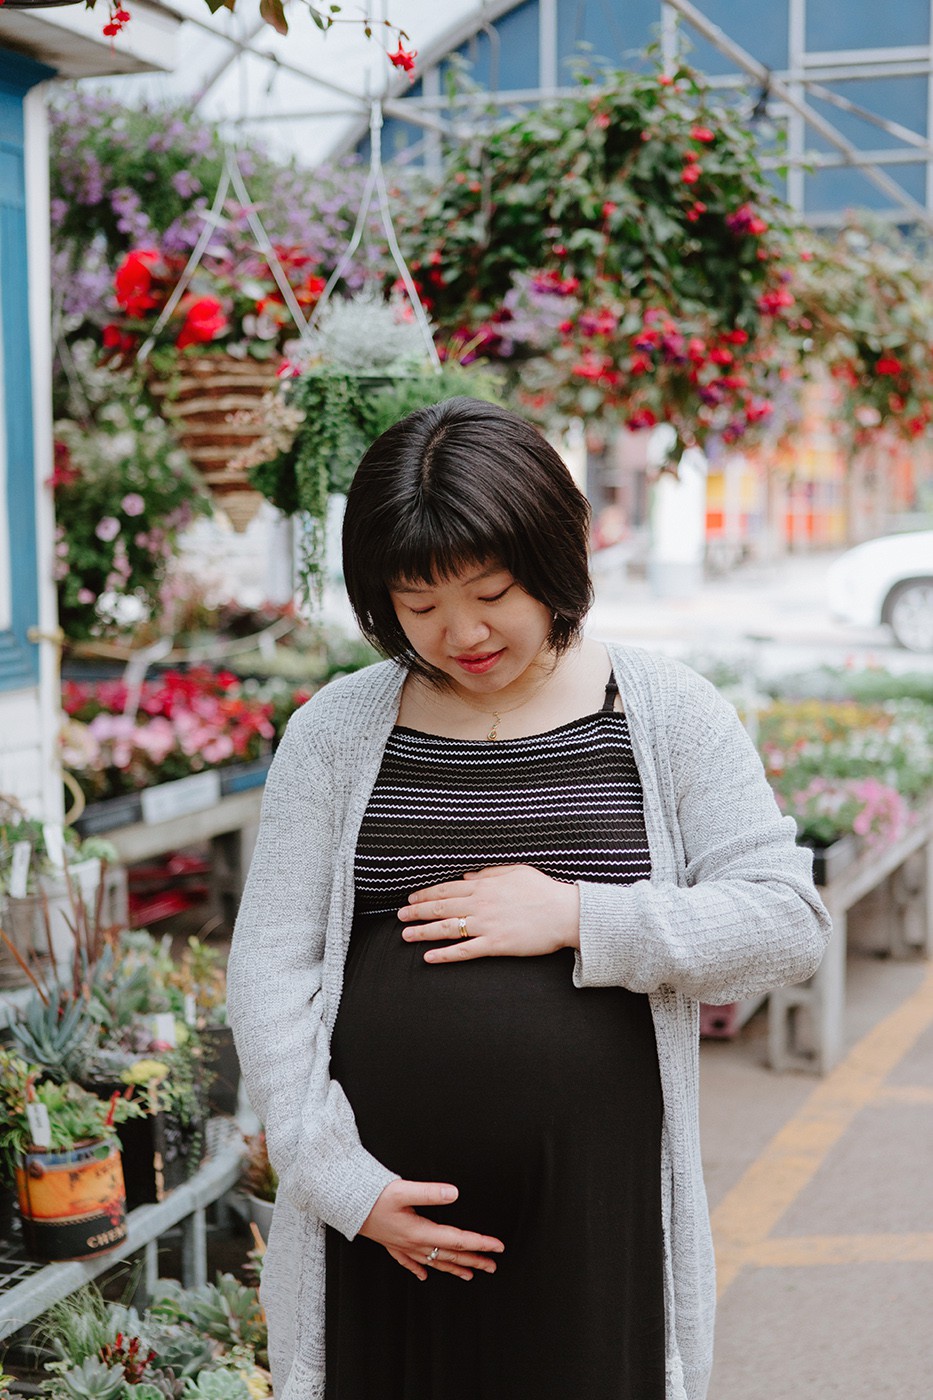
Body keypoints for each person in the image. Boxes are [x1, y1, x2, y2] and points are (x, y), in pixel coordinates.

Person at [227, 396, 831, 1400]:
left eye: (491, 590)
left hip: (596, 1224)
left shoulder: (667, 710)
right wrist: (343, 1183)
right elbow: (269, 964)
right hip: (387, 1225)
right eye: (417, 604)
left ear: (554, 560)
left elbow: (785, 920)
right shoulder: (336, 733)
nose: (460, 631)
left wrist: (582, 916)